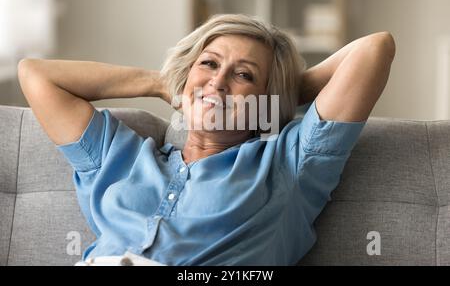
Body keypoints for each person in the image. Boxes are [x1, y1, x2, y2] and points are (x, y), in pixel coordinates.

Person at [18, 14, 395, 265]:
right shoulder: (120, 157)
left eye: (243, 74)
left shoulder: (288, 166)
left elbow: (375, 48)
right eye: (209, 63)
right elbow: (35, 75)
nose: (217, 81)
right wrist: (159, 83)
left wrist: (281, 97)